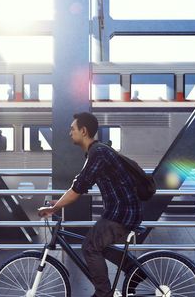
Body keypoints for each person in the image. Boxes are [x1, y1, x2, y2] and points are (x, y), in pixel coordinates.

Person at [38, 112, 142, 297]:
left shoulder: (98, 153)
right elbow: (79, 185)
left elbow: (78, 187)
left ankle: (103, 293)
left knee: (90, 247)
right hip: (120, 210)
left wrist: (54, 208)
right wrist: (58, 203)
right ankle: (134, 269)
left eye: (72, 129)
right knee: (98, 244)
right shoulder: (97, 151)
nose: (70, 133)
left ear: (83, 131)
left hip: (122, 213)